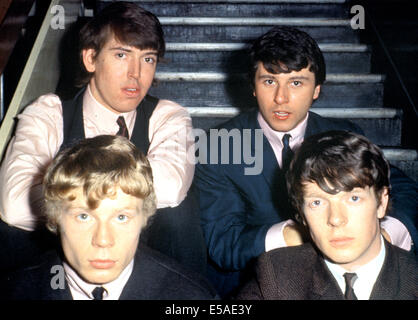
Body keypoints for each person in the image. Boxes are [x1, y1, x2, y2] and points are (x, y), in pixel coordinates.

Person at [193, 26, 417, 298]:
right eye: (269, 81)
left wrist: (388, 233)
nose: (281, 98)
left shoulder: (343, 135)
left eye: (296, 82)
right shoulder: (219, 144)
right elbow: (224, 245)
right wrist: (296, 235)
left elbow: (403, 188)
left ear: (317, 90)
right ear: (252, 87)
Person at [0, 2, 206, 274]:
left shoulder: (167, 116)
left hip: (143, 265)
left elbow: (171, 188)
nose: (136, 73)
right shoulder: (48, 112)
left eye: (148, 59)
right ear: (90, 59)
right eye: (122, 55)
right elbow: (15, 204)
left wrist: (71, 192)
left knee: (181, 213)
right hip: (64, 264)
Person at [0, 135, 217, 300]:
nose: (103, 240)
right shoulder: (14, 291)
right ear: (55, 218)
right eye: (84, 216)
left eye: (121, 217)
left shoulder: (190, 296)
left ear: (144, 218)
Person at [237, 131, 417, 300]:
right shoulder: (276, 275)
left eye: (353, 198)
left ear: (382, 203)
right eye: (317, 203)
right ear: (301, 213)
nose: (335, 219)